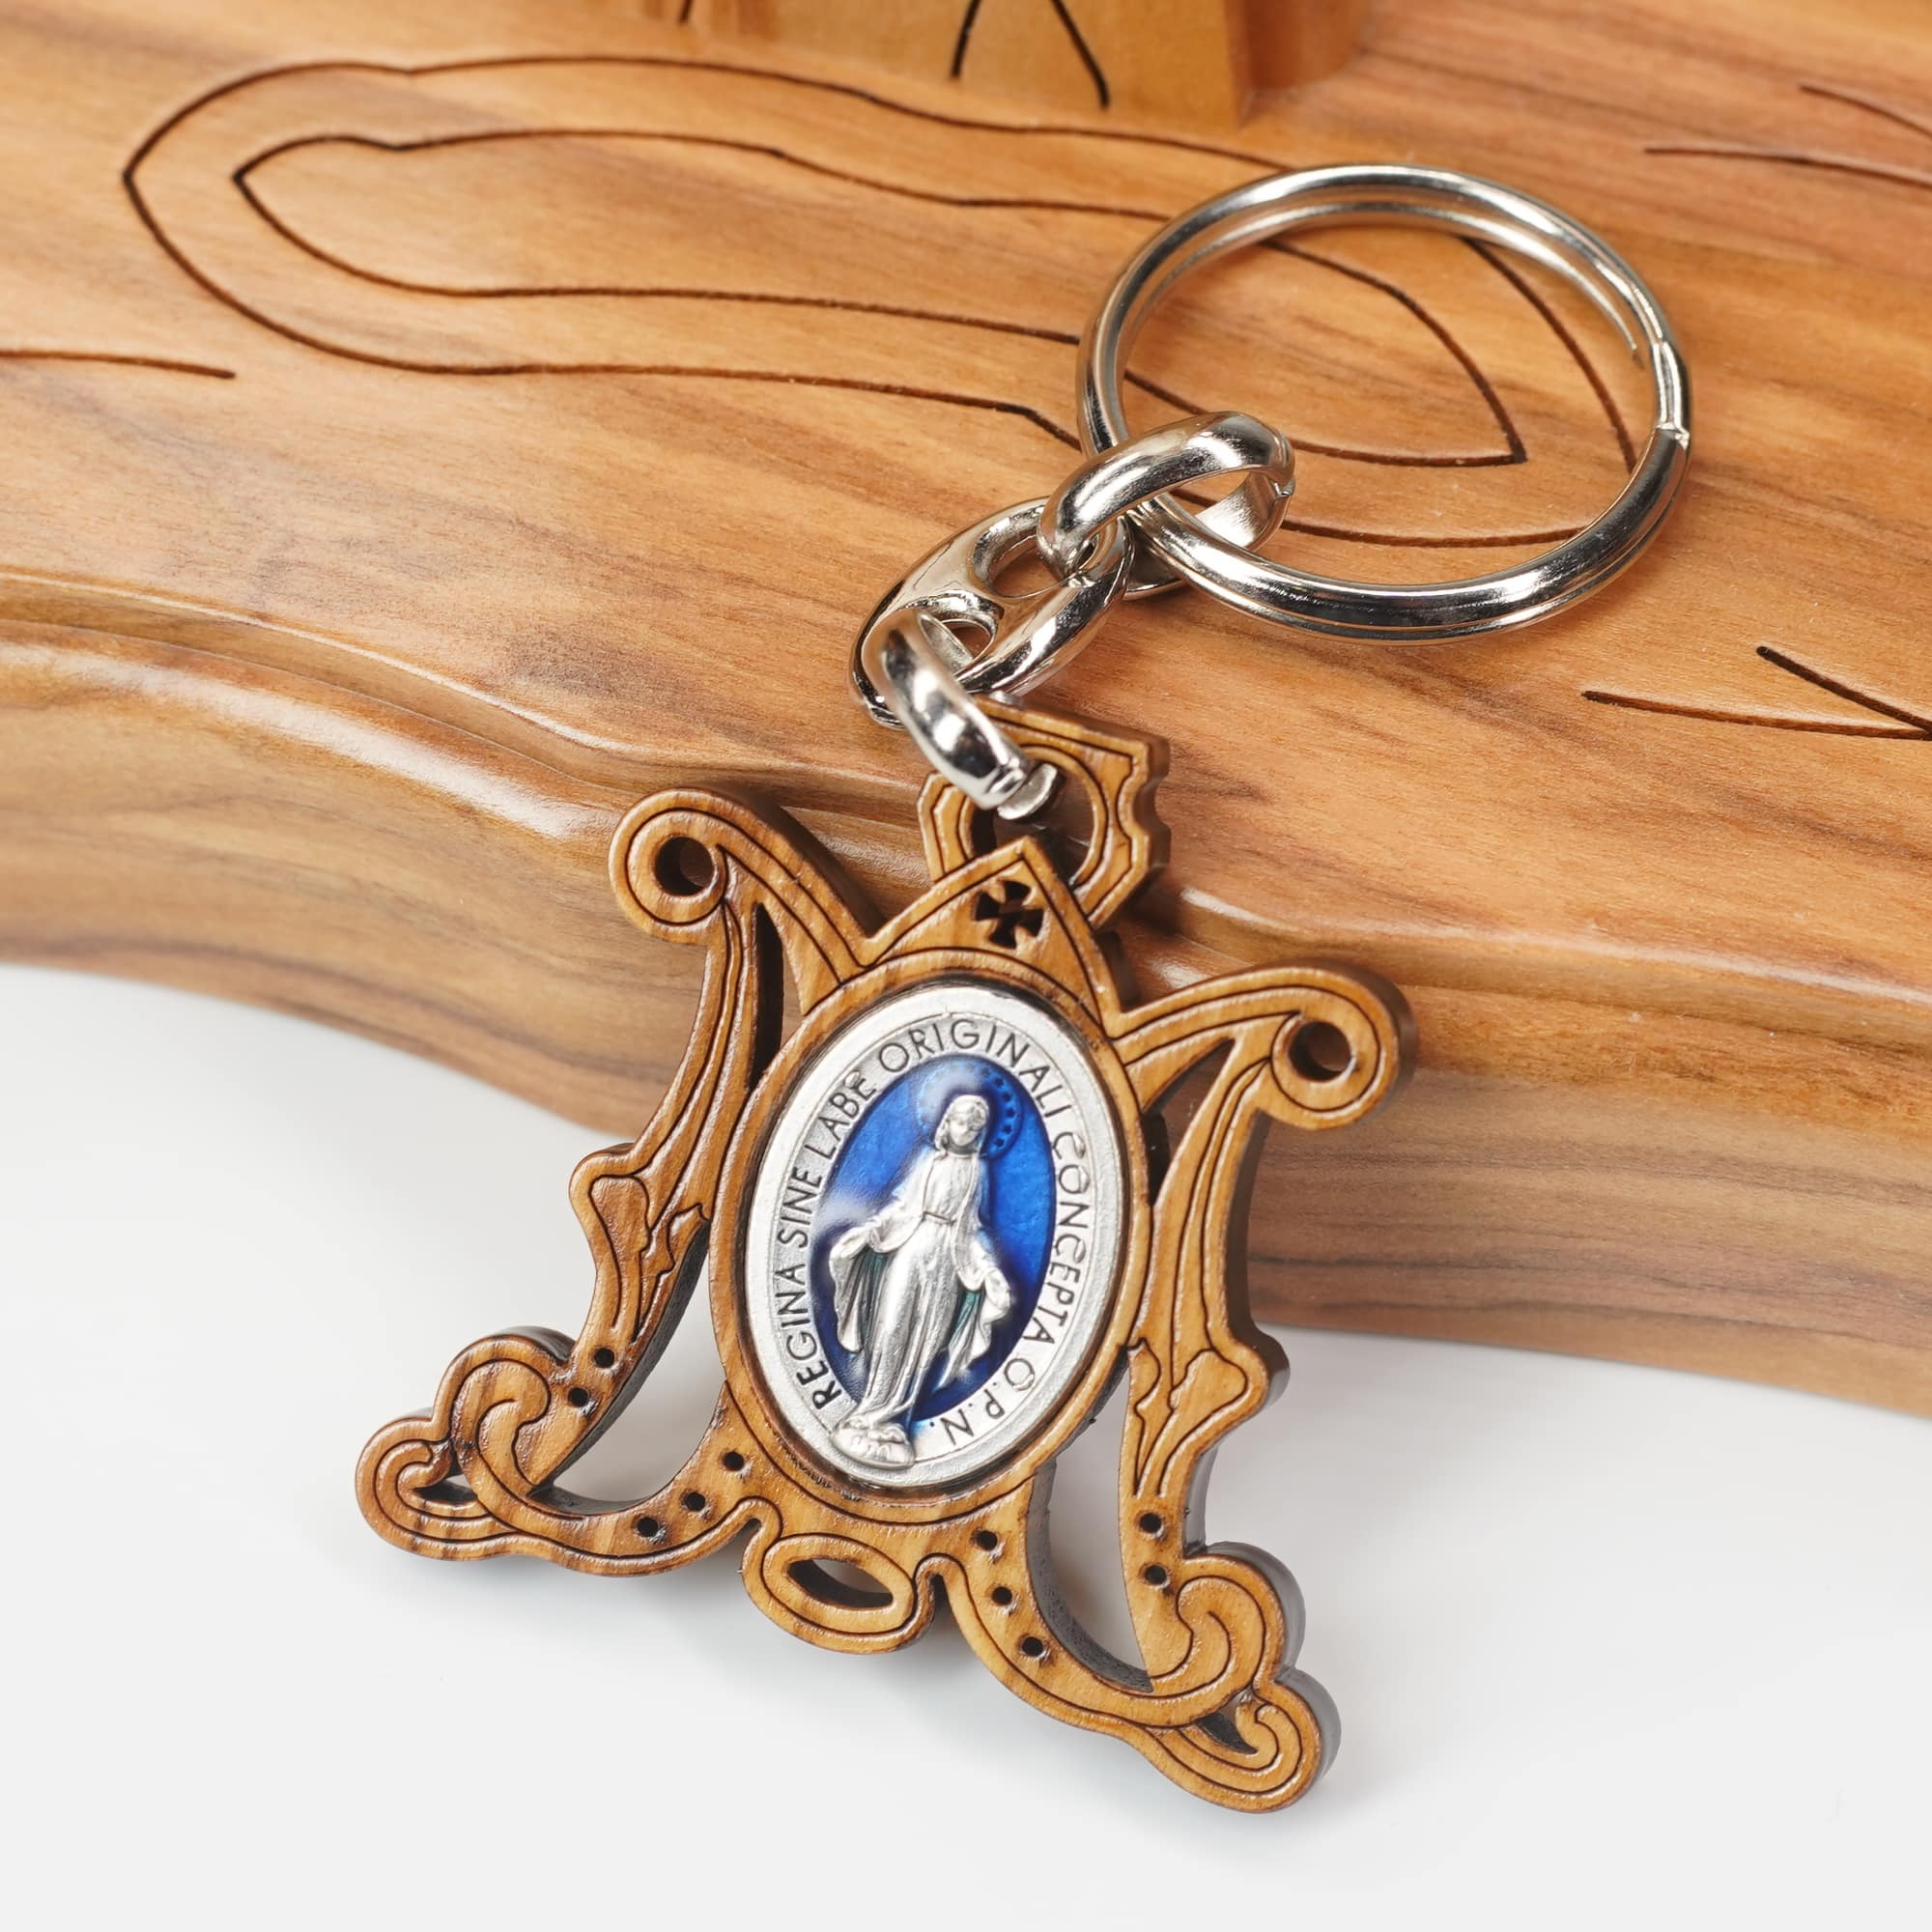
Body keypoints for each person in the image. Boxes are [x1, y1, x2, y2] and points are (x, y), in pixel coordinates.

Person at [827, 1093, 1013, 1468]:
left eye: (974, 1127)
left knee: (924, 1340)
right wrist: (872, 1229)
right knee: (891, 1326)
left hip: (947, 1260)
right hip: (911, 1247)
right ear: (946, 1123)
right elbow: (902, 1208)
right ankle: (869, 1410)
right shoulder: (929, 1162)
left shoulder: (977, 1172)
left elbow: (972, 1229)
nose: (965, 1131)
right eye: (960, 1122)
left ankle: (895, 1421)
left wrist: (988, 1270)